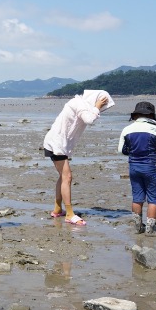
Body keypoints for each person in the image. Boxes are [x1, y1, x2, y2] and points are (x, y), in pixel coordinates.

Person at [42, 90, 115, 226]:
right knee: (67, 177)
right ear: (95, 99)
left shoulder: (79, 103)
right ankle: (69, 214)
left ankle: (58, 209)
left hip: (57, 143)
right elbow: (89, 119)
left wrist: (96, 107)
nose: (102, 109)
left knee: (63, 176)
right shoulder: (79, 103)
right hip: (56, 144)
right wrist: (97, 106)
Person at [118, 101, 156, 235]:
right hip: (151, 166)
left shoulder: (127, 129)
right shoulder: (155, 129)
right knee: (153, 197)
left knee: (137, 197)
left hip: (133, 166)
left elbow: (121, 150)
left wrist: (133, 152)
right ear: (151, 115)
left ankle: (138, 228)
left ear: (135, 116)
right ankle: (150, 230)